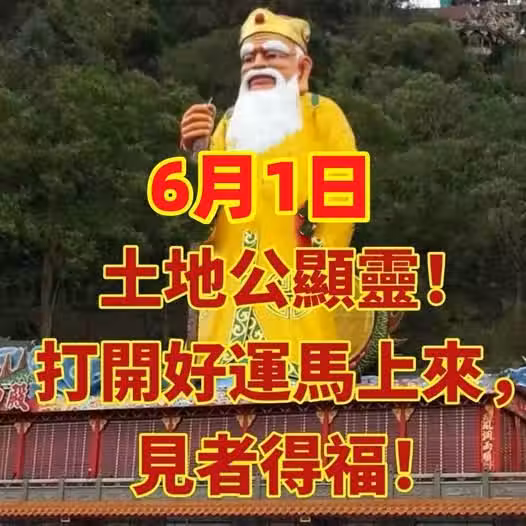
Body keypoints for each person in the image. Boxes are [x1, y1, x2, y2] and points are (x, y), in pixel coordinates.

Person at [179, 7, 398, 375]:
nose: (258, 64)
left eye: (272, 54)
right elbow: (208, 207)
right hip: (233, 273)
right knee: (221, 375)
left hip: (296, 269)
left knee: (299, 369)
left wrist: (320, 258)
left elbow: (341, 198)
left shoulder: (321, 114)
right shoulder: (229, 124)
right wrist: (195, 153)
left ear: (302, 67)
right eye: (249, 58)